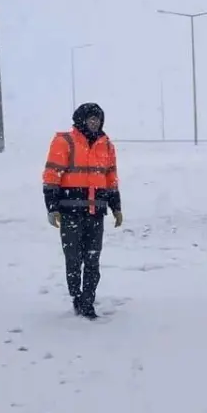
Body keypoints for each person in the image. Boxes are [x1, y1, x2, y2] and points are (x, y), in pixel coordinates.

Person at [42, 103, 123, 319]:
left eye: (98, 118)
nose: (94, 122)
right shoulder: (64, 142)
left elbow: (111, 179)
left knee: (93, 258)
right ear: (81, 119)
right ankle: (76, 295)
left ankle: (88, 299)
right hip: (70, 212)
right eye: (90, 118)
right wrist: (52, 207)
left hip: (95, 212)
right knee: (73, 257)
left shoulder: (107, 146)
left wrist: (116, 207)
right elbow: (51, 176)